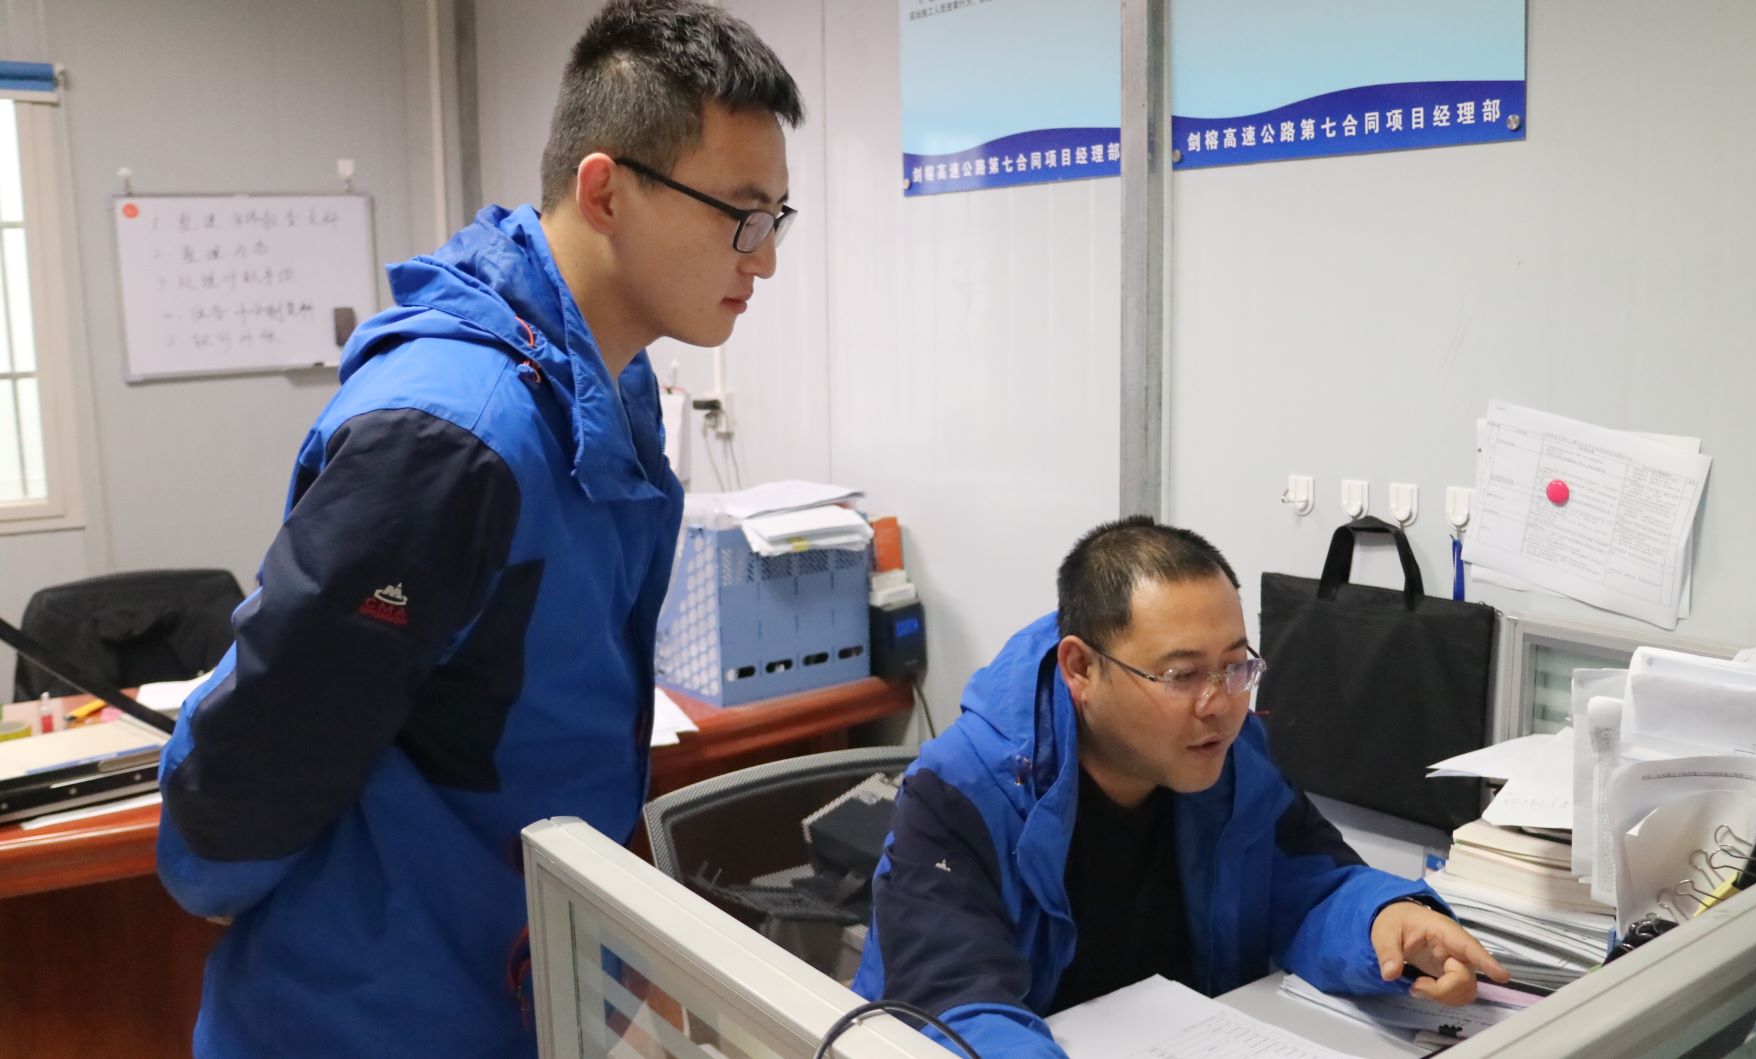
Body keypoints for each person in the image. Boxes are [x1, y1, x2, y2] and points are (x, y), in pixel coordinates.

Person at [154, 3, 802, 1055]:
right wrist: (218, 871)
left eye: (776, 218)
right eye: (740, 214)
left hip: (504, 972)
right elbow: (256, 766)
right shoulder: (456, 435)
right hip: (366, 1008)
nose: (762, 259)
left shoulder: (605, 385)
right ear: (606, 191)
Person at [854, 517, 1508, 1056]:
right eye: (1181, 675)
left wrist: (1387, 921)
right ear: (1081, 668)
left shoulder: (1234, 757)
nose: (1219, 704)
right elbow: (954, 1008)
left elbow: (1308, 885)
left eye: (1235, 666)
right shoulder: (959, 790)